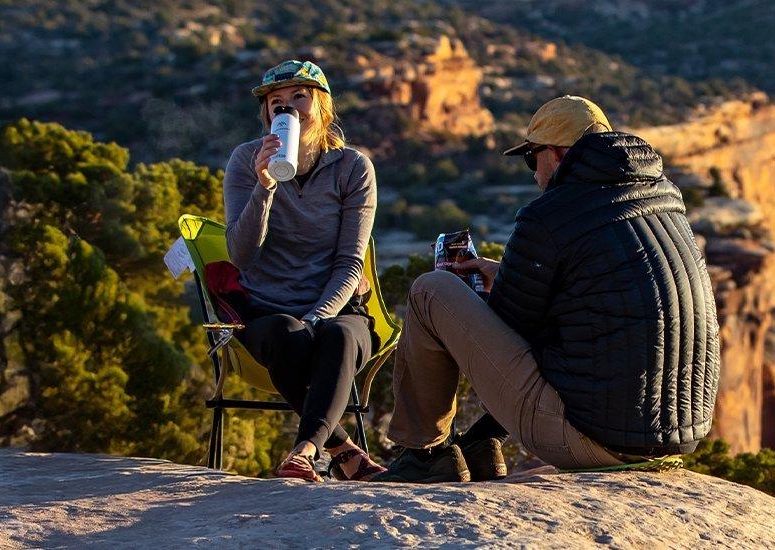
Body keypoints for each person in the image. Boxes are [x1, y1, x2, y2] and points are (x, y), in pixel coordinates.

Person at [375, 96, 720, 483]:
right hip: (677, 434)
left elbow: (510, 332)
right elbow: (596, 308)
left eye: (531, 158)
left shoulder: (549, 214)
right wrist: (508, 274)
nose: (534, 174)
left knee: (431, 291)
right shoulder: (664, 200)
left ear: (555, 155)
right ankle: (481, 443)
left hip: (595, 439)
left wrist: (477, 294)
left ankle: (425, 454)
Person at [222, 60, 384, 482]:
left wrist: (318, 316)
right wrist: (265, 184)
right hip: (268, 312)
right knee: (285, 334)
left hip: (338, 308)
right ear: (267, 116)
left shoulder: (352, 167)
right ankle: (343, 450)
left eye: (299, 97)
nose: (288, 109)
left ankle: (306, 449)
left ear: (322, 107)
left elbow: (351, 262)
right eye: (277, 104)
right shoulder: (245, 161)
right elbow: (241, 256)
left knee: (339, 334)